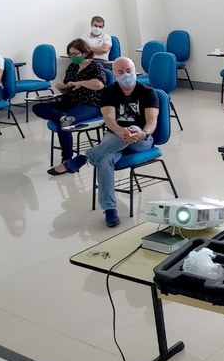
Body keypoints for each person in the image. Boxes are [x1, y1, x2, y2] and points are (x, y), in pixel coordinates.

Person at [61, 57, 159, 227]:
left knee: (134, 127)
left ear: (135, 70)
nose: (126, 74)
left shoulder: (148, 92)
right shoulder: (109, 92)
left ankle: (85, 157)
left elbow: (152, 121)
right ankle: (110, 210)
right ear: (114, 74)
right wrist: (120, 130)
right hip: (115, 137)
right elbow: (109, 119)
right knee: (105, 160)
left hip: (140, 140)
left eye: (129, 70)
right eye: (120, 72)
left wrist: (143, 133)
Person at [33, 38, 106, 175]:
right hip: (71, 100)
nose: (73, 57)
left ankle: (67, 160)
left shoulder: (96, 66)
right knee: (37, 107)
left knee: (65, 124)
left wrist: (80, 82)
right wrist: (63, 87)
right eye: (71, 54)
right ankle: (60, 116)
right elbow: (68, 88)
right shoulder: (72, 67)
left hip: (91, 104)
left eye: (76, 54)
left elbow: (99, 84)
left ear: (85, 52)